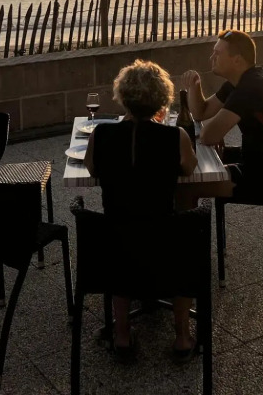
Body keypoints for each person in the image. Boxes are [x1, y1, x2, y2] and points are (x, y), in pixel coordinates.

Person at [85, 60, 197, 361]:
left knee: (121, 242)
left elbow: (91, 168)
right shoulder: (176, 137)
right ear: (162, 100)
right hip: (162, 240)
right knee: (189, 237)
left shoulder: (101, 135)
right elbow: (190, 168)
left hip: (116, 243)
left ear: (122, 97)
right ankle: (182, 336)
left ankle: (122, 335)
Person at [181, 29, 263, 199]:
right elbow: (201, 113)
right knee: (199, 163)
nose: (211, 58)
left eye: (217, 53)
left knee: (189, 184)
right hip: (259, 159)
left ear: (237, 60)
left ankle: (191, 217)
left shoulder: (249, 89)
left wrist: (214, 132)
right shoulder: (239, 82)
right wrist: (194, 87)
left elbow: (208, 136)